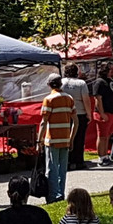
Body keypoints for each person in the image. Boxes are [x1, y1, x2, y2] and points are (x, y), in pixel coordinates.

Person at [37, 74, 76, 204]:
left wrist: (39, 140)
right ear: (61, 84)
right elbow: (76, 121)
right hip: (65, 139)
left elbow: (44, 122)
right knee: (62, 169)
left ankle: (52, 196)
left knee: (51, 169)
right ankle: (61, 194)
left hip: (52, 139)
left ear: (49, 85)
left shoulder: (48, 99)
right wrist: (71, 138)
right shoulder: (69, 98)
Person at [60, 64, 93, 170]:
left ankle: (67, 160)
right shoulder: (81, 83)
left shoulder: (61, 82)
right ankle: (78, 161)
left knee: (66, 137)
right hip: (79, 113)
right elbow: (86, 100)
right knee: (79, 138)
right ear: (76, 72)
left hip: (65, 113)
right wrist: (89, 113)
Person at [91, 63, 113, 166]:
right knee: (102, 136)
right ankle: (101, 157)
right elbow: (98, 99)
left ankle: (106, 156)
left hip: (112, 112)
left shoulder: (111, 82)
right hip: (103, 113)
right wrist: (102, 113)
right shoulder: (99, 82)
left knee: (107, 135)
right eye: (110, 70)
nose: (112, 71)